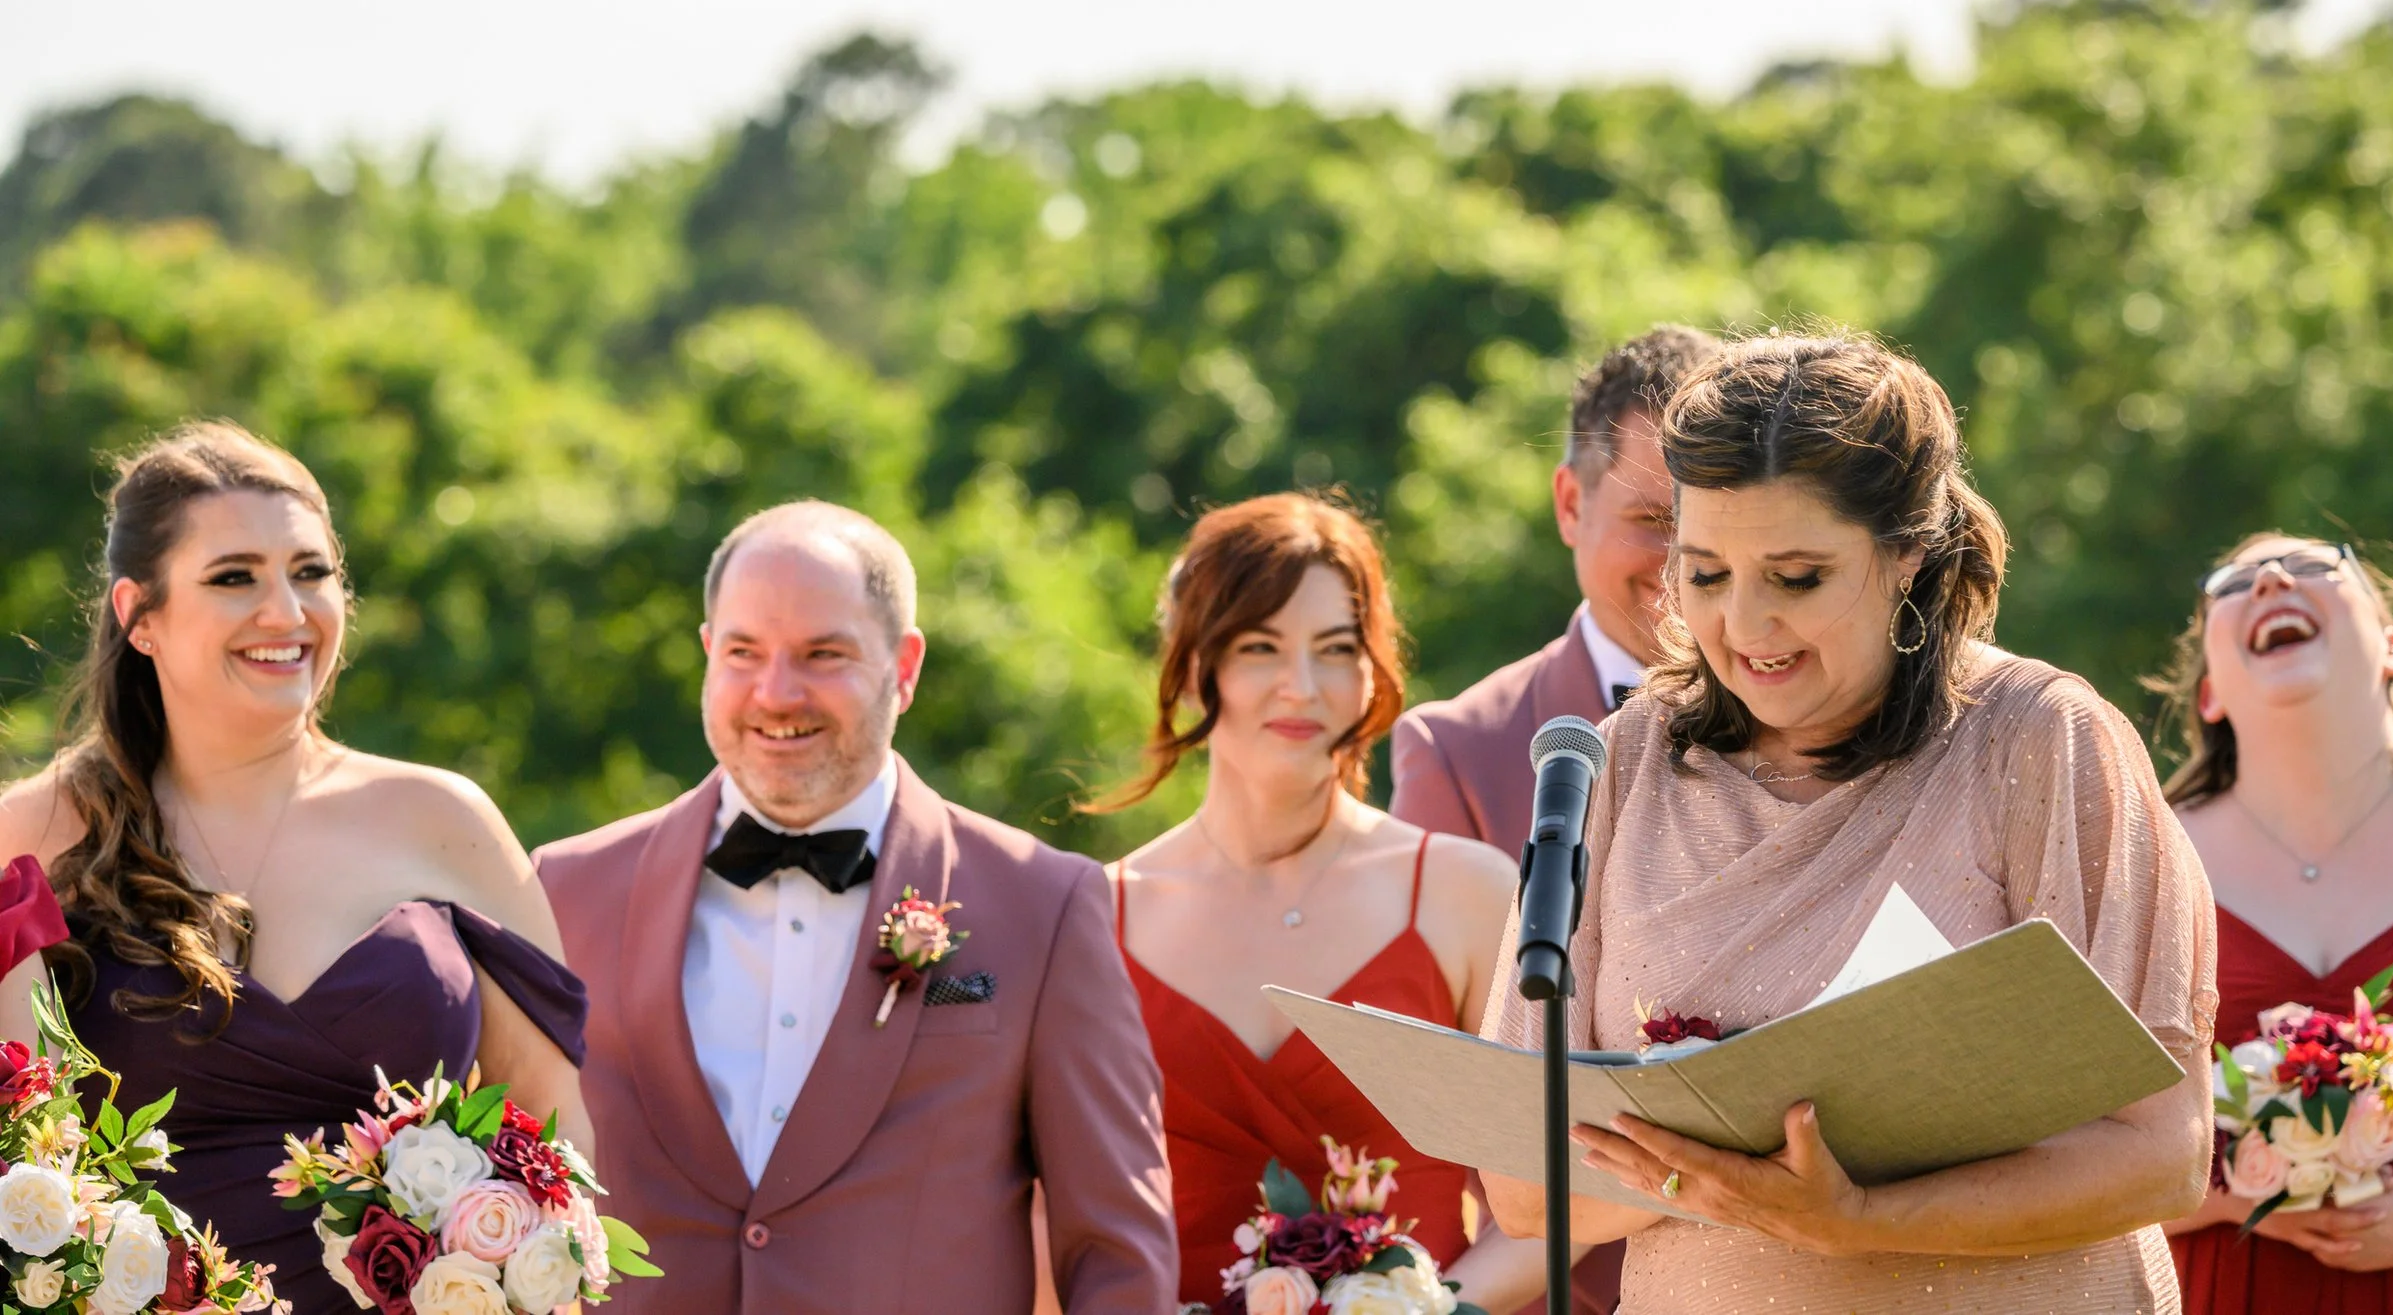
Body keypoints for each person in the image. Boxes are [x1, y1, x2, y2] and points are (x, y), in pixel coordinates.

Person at [1480, 331, 2218, 1314]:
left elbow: (2163, 1154)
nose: (1744, 626)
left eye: (1795, 576)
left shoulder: (2043, 742)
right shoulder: (1616, 764)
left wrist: (1858, 1215)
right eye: (1702, 573)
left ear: (1905, 553)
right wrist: (1726, 1147)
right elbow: (1525, 1188)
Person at [0, 422, 591, 1315]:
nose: (286, 611)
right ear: (140, 614)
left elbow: (560, 1153)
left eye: (310, 572)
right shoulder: (32, 836)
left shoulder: (445, 822)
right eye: (234, 576)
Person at [534, 500, 1176, 1313]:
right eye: (743, 652)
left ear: (903, 667)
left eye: (821, 654)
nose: (775, 691)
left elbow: (1118, 1254)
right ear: (707, 653)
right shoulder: (562, 889)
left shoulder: (1044, 907)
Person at [1101, 494, 1547, 1310]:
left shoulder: (1466, 893)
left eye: (1336, 648)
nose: (1300, 686)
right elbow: (1049, 1218)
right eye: (1260, 646)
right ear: (1194, 661)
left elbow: (1557, 1197)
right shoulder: (1098, 916)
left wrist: (1425, 1308)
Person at [1392, 323, 1715, 1315]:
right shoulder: (1457, 752)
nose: (1685, 561)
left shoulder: (1831, 727)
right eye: (1654, 518)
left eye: (1713, 523)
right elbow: (1439, 1097)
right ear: (1571, 503)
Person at [2155, 534, 2393, 1307]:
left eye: (2316, 566)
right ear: (2210, 692)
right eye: (2235, 581)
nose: (2273, 578)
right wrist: (2230, 1195)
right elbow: (2064, 1129)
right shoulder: (2141, 860)